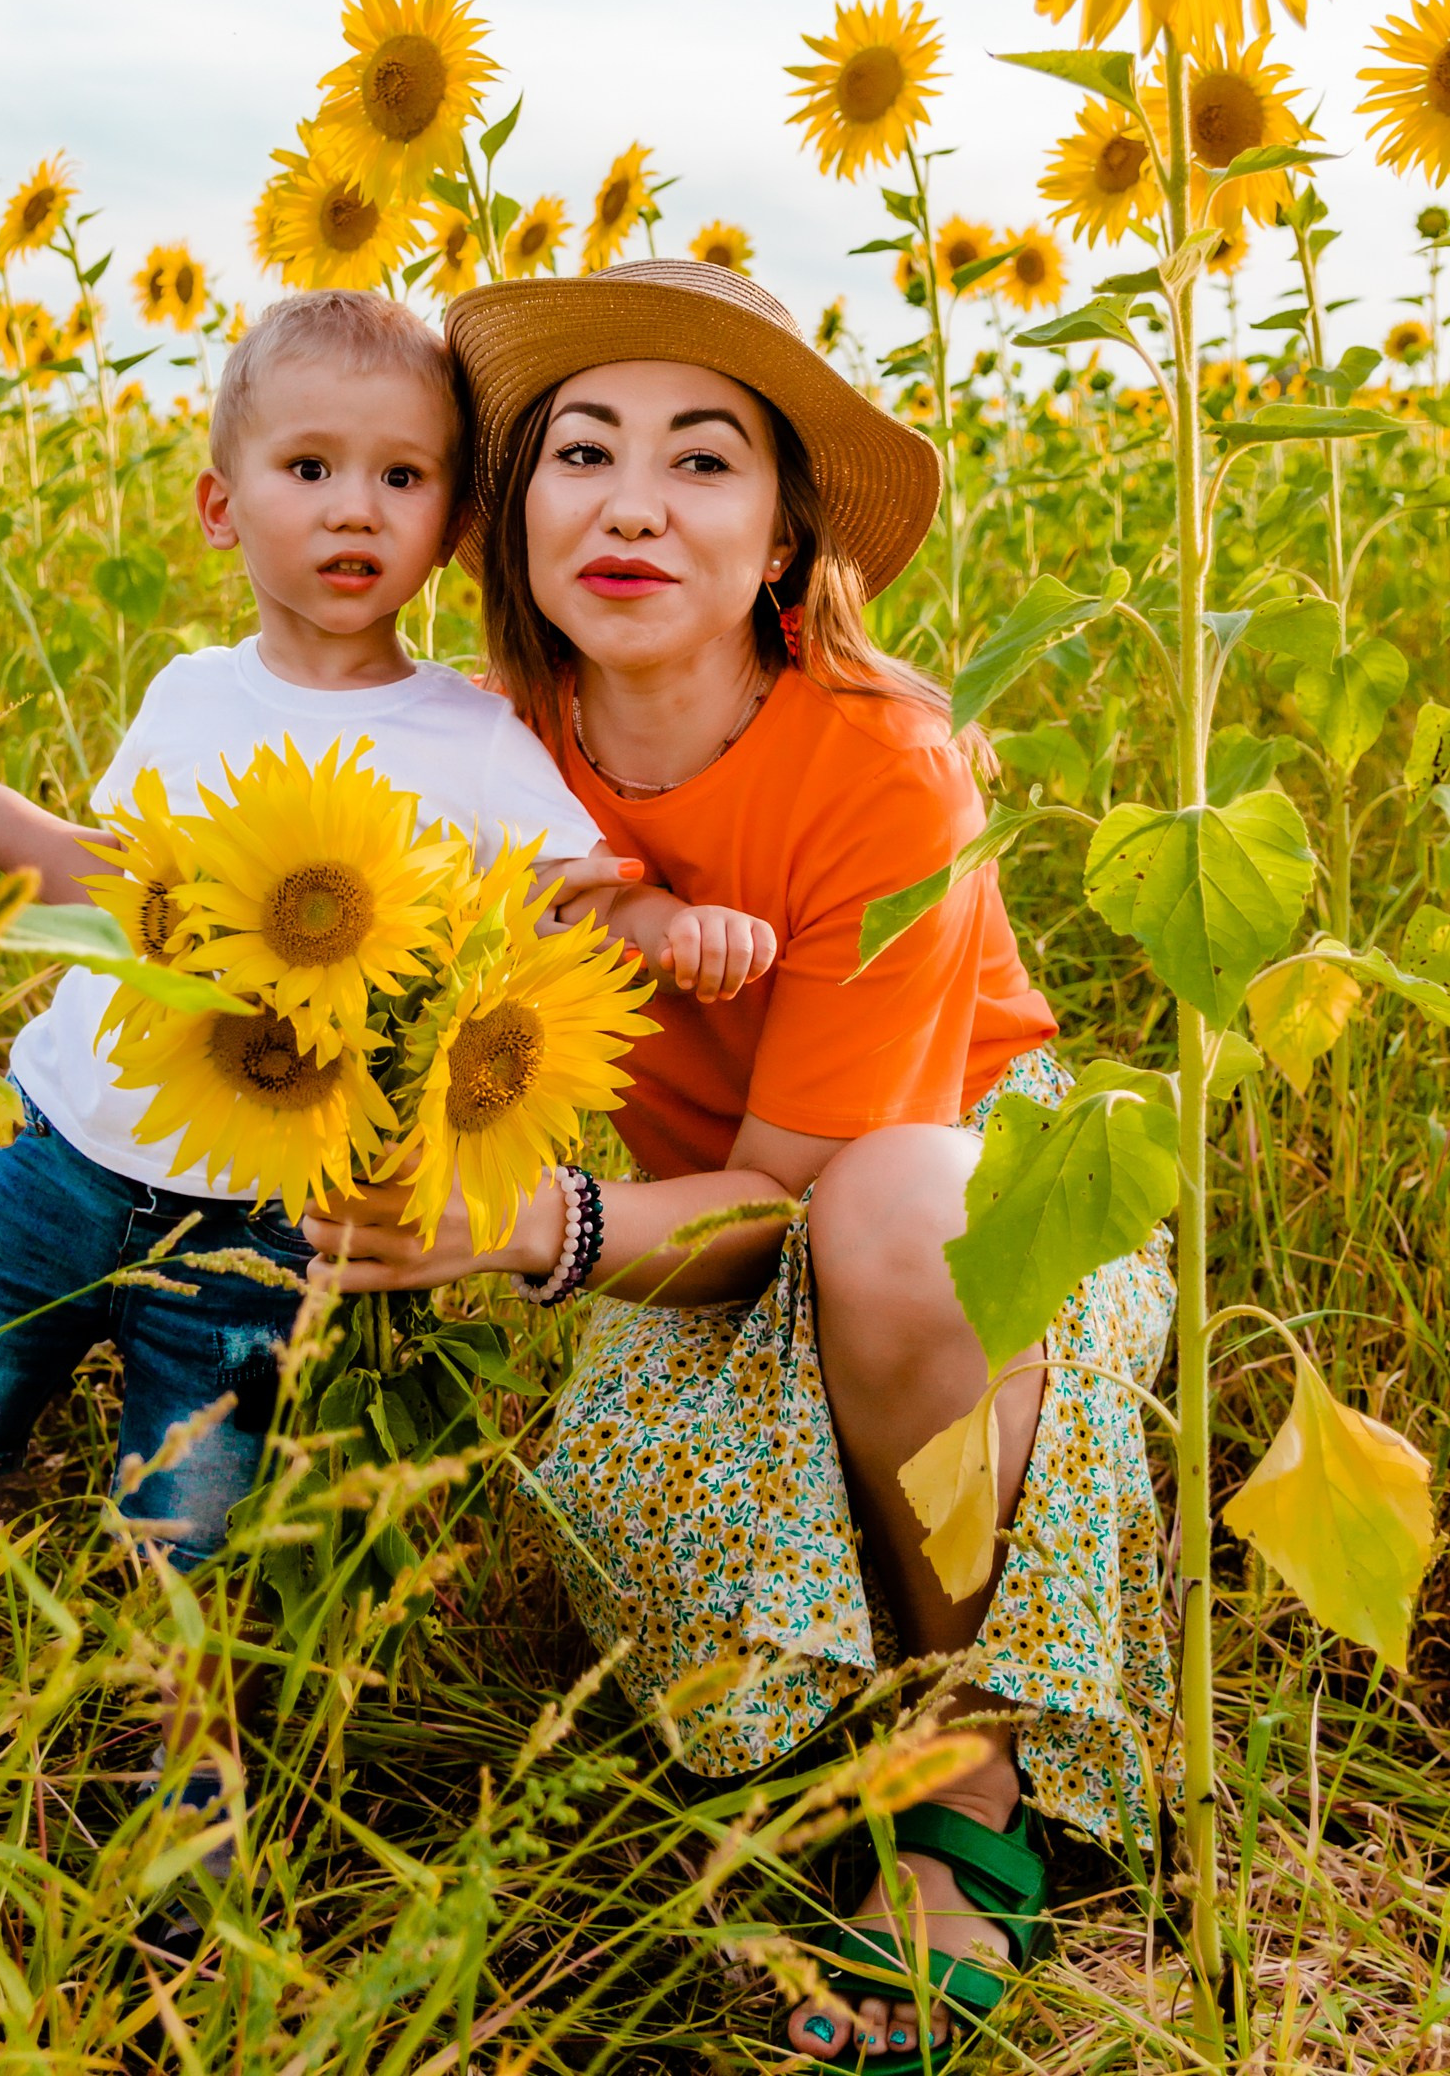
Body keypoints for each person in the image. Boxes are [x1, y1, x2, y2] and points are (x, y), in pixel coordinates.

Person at [304, 258, 1175, 2068]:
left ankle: (964, 1787)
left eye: (704, 462)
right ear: (513, 511)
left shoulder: (883, 763)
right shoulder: (483, 748)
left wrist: (533, 1227)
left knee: (891, 1217)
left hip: (944, 1221)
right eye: (583, 452)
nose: (632, 503)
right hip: (681, 1236)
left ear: (786, 542)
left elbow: (796, 1196)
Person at [0, 290, 727, 1808]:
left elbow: (572, 891)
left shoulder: (471, 737)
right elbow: (125, 893)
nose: (357, 508)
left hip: (263, 1205)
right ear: (222, 506)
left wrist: (669, 928)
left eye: (403, 478)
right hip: (60, 1146)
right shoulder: (188, 697)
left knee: (194, 1506)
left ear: (452, 521)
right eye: (310, 470)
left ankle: (186, 1772)